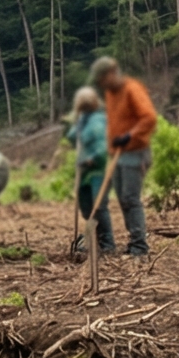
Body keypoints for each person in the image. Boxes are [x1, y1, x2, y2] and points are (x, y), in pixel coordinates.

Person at [92, 56, 157, 256]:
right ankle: (133, 242)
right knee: (122, 199)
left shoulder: (132, 89)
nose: (102, 85)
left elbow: (149, 117)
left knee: (130, 198)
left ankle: (139, 246)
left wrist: (129, 135)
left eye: (103, 80)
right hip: (118, 154)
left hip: (135, 152)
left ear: (112, 73)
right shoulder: (110, 94)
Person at [65, 87, 113, 256]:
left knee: (98, 206)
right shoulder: (82, 120)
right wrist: (77, 122)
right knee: (86, 207)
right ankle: (93, 239)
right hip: (84, 171)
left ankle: (107, 244)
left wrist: (93, 158)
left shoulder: (99, 120)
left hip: (99, 169)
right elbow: (72, 136)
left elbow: (103, 146)